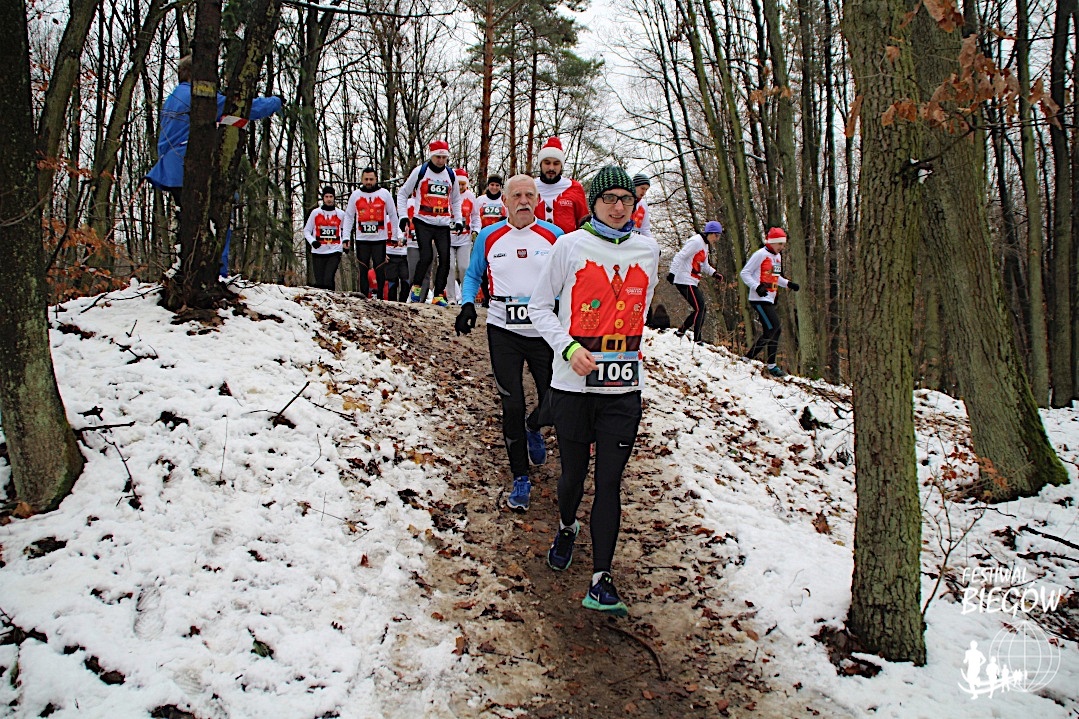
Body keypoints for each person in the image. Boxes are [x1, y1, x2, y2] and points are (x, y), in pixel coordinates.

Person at [528, 165, 660, 616]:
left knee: (609, 482)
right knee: (573, 476)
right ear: (594, 203)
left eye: (626, 199)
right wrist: (568, 349)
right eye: (609, 199)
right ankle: (567, 526)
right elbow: (539, 308)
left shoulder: (648, 250)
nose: (619, 207)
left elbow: (639, 308)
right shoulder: (569, 246)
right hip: (573, 386)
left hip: (623, 388)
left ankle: (602, 579)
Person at [455, 175, 563, 511]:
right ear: (505, 201)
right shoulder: (489, 236)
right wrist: (468, 304)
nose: (523, 201)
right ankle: (520, 477)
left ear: (538, 200)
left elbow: (571, 280)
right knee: (511, 404)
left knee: (554, 401)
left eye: (529, 194)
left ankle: (534, 426)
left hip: (544, 331)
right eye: (516, 195)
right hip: (503, 330)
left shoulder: (555, 236)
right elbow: (473, 274)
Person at [146, 55, 282, 195]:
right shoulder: (198, 97)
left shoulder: (172, 99)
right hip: (191, 164)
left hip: (170, 169)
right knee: (221, 201)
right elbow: (241, 107)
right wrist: (276, 102)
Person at [397, 140, 464, 306]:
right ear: (431, 156)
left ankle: (438, 294)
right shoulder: (421, 171)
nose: (441, 161)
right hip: (423, 221)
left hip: (443, 223)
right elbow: (402, 193)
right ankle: (416, 287)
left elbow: (456, 200)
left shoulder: (450, 174)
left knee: (446, 260)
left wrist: (458, 219)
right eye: (437, 157)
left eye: (444, 157)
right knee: (426, 256)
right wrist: (403, 216)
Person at [740, 227, 799, 377]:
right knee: (774, 328)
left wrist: (788, 284)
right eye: (779, 243)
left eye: (783, 244)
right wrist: (756, 286)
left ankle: (749, 358)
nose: (782, 247)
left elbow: (776, 277)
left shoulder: (777, 257)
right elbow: (745, 273)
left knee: (772, 330)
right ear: (771, 242)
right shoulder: (760, 254)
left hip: (770, 298)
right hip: (758, 299)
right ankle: (770, 365)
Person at [343, 167, 399, 299]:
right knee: (363, 269)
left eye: (371, 179)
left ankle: (380, 297)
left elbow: (393, 215)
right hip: (362, 239)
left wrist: (395, 236)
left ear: (376, 179)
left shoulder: (384, 193)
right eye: (366, 179)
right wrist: (345, 237)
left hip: (379, 239)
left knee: (380, 269)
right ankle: (363, 297)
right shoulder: (355, 195)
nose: (368, 182)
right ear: (362, 179)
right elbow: (349, 216)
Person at [667, 221, 724, 342]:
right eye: (716, 235)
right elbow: (680, 256)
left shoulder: (705, 245)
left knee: (700, 308)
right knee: (700, 308)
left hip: (692, 280)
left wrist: (714, 273)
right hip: (684, 279)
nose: (717, 239)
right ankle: (697, 339)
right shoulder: (696, 241)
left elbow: (704, 265)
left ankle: (681, 331)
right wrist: (672, 273)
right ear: (710, 233)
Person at [533, 137, 589, 235]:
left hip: (568, 243)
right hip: (536, 242)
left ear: (561, 166)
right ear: (540, 164)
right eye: (547, 163)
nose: (551, 168)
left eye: (556, 163)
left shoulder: (574, 187)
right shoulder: (530, 187)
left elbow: (583, 221)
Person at [302, 186, 347, 290]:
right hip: (318, 251)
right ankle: (325, 299)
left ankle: (332, 297)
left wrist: (345, 243)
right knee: (320, 282)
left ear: (334, 198)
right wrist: (313, 242)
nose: (329, 199)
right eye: (326, 197)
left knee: (328, 278)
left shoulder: (341, 214)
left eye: (331, 196)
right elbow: (306, 230)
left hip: (335, 250)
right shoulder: (315, 213)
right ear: (323, 198)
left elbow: (345, 230)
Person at [449, 169, 481, 303]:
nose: (461, 187)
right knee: (449, 267)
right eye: (458, 184)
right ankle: (451, 297)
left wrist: (476, 230)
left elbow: (476, 216)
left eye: (463, 184)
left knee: (464, 267)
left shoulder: (470, 197)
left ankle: (465, 297)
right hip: (448, 238)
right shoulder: (448, 195)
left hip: (464, 238)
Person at [403, 197, 433, 301]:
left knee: (426, 273)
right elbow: (401, 220)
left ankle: (421, 299)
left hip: (429, 242)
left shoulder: (431, 200)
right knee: (413, 273)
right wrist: (400, 236)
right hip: (413, 243)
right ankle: (413, 296)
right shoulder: (408, 202)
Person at [384, 222, 411, 302]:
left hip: (405, 255)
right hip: (390, 255)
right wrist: (381, 252)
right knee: (392, 281)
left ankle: (403, 303)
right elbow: (378, 237)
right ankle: (392, 304)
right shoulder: (387, 219)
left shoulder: (409, 219)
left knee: (406, 280)